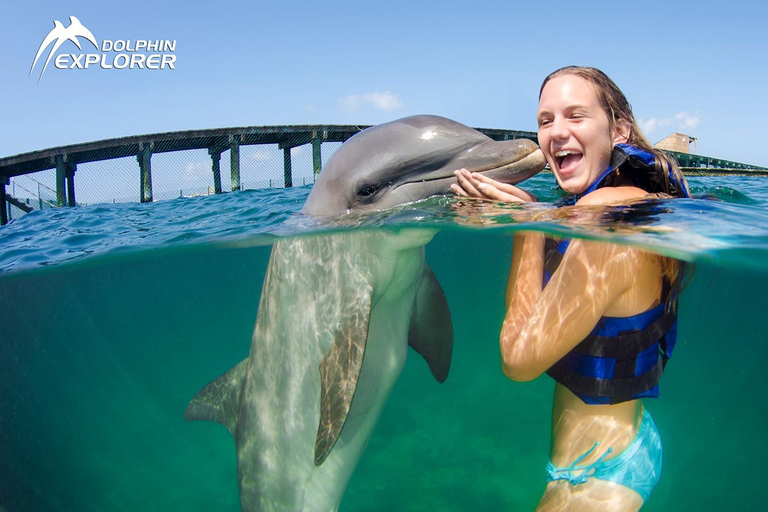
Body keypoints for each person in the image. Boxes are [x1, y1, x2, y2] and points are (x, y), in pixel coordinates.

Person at [451, 66, 690, 511]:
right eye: (546, 121)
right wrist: (537, 219)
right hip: (618, 445)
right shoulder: (602, 206)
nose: (556, 132)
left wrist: (527, 226)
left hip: (600, 476)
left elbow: (518, 360)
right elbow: (535, 315)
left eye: (575, 116)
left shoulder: (604, 213)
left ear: (618, 130)